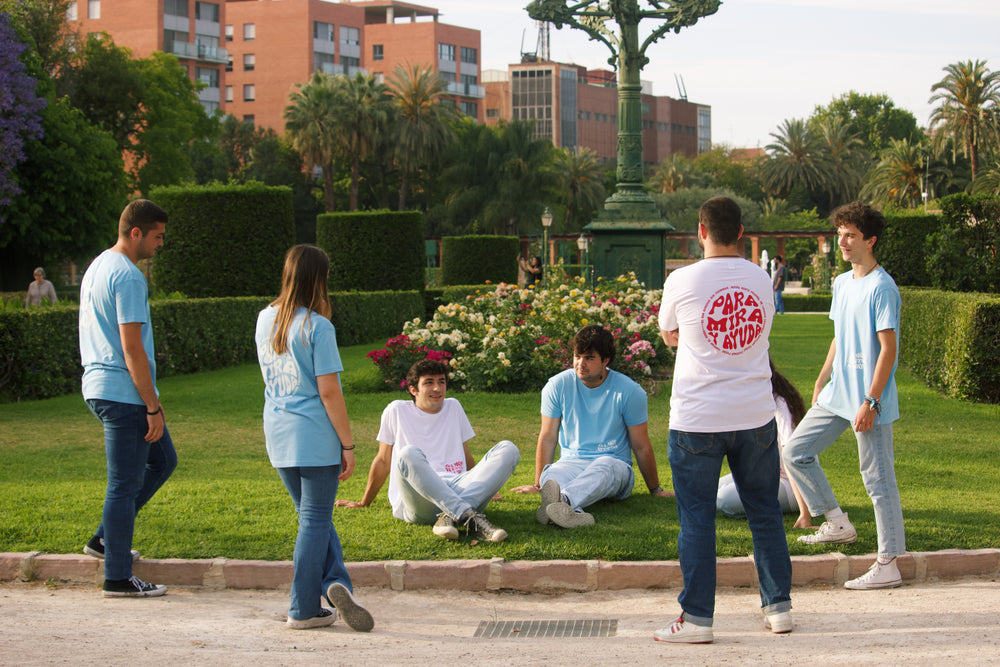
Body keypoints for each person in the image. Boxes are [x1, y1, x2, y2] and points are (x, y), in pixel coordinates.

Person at [655, 195, 792, 643]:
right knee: (765, 514)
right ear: (741, 233)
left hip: (697, 417)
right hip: (754, 413)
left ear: (701, 231)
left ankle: (697, 618)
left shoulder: (682, 279)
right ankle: (778, 607)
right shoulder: (761, 278)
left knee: (696, 519)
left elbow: (669, 334)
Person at [781, 201, 906, 591]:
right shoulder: (841, 283)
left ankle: (889, 563)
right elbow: (839, 336)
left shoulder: (883, 287)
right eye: (840, 235)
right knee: (795, 451)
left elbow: (888, 350)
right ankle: (836, 522)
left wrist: (871, 402)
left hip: (869, 399)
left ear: (871, 240)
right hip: (838, 393)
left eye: (851, 235)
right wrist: (823, 377)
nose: (843, 242)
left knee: (878, 480)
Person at [255, 244, 373, 631]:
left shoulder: (264, 319)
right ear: (318, 279)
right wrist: (348, 444)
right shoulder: (318, 327)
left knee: (313, 519)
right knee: (315, 520)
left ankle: (335, 582)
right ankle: (303, 607)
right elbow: (330, 392)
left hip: (278, 433)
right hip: (315, 435)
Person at [78, 199, 177, 597]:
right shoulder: (129, 275)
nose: (160, 244)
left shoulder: (97, 266)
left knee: (163, 460)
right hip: (123, 393)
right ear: (136, 233)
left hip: (100, 385)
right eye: (157, 236)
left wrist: (151, 401)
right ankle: (118, 577)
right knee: (123, 484)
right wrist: (150, 404)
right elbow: (132, 347)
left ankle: (105, 540)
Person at [336, 359, 519, 543]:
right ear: (413, 390)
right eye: (429, 382)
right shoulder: (396, 410)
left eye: (441, 382)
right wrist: (364, 502)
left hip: (457, 486)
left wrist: (484, 483)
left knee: (508, 449)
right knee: (408, 454)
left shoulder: (454, 406)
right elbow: (383, 461)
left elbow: (465, 454)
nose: (437, 388)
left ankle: (449, 516)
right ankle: (466, 513)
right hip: (418, 496)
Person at [512, 325, 671, 528]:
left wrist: (655, 489)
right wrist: (537, 484)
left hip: (614, 465)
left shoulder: (630, 391)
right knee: (552, 475)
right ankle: (569, 512)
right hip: (571, 463)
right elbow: (548, 437)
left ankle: (562, 502)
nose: (580, 364)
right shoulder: (557, 386)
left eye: (589, 358)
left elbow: (641, 445)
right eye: (577, 356)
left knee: (605, 465)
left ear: (606, 360)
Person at [716, 360, 812, 529]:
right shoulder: (755, 401)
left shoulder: (780, 404)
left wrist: (805, 514)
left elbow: (791, 457)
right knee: (711, 490)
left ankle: (777, 505)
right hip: (767, 473)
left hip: (790, 482)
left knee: (723, 500)